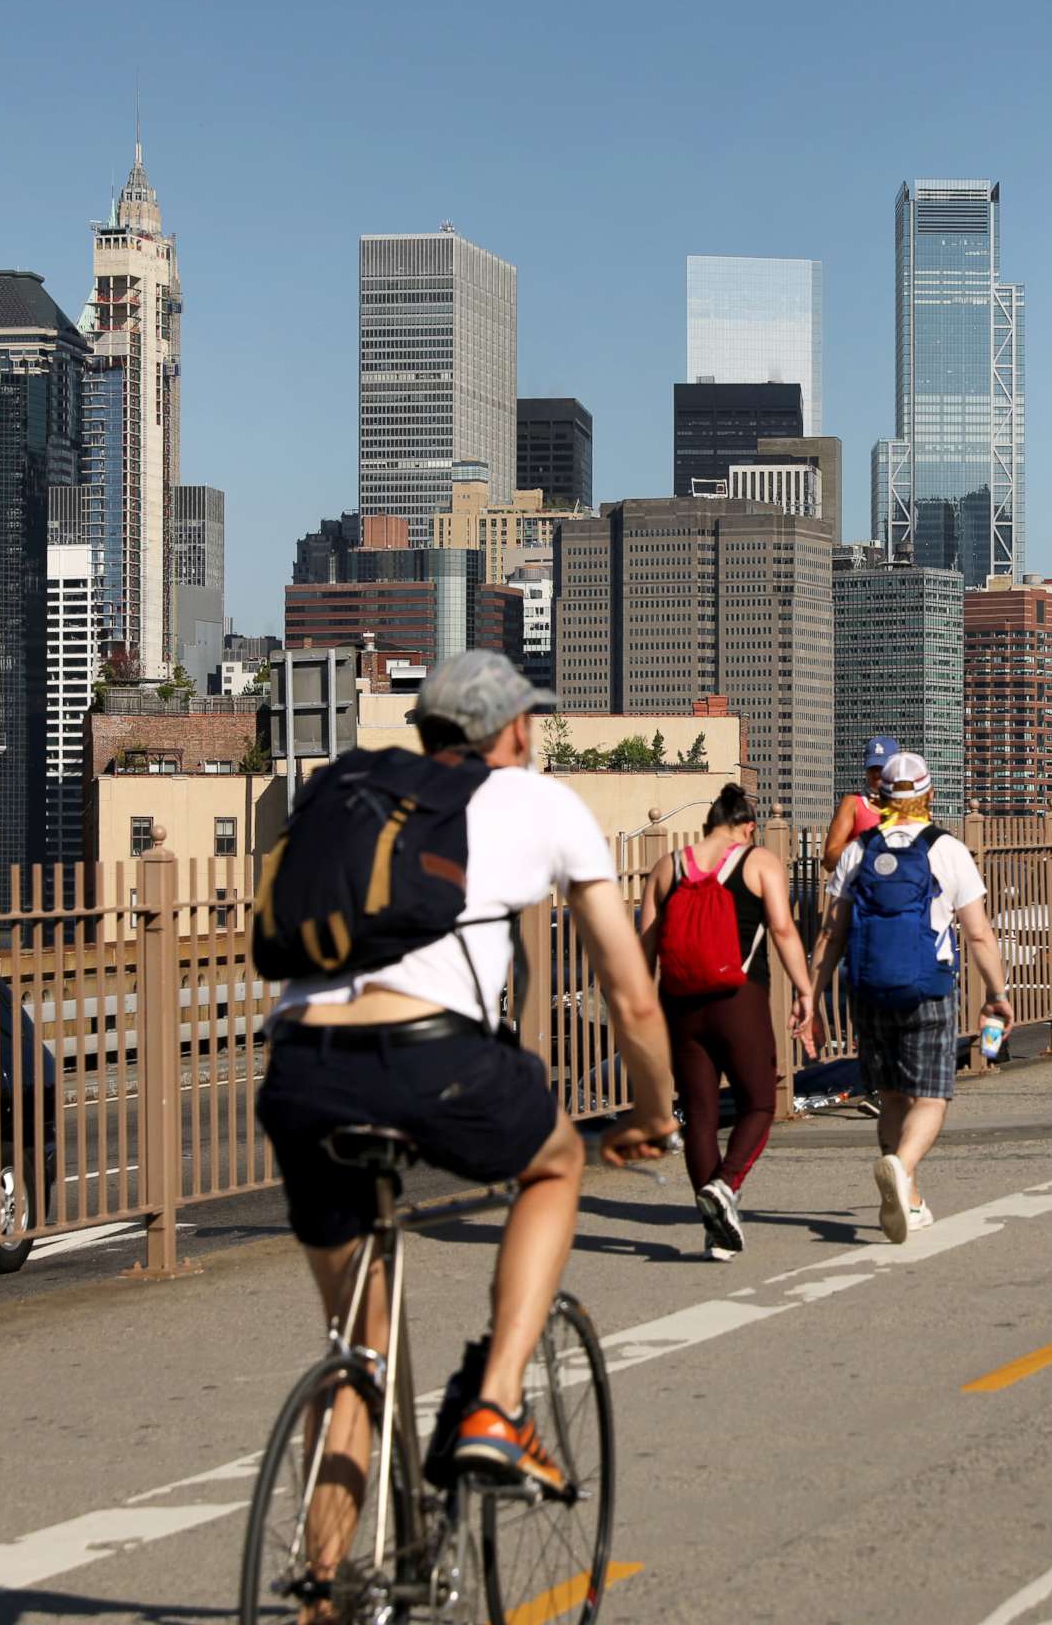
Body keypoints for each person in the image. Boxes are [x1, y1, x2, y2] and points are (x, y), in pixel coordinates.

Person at [256, 651, 678, 1551]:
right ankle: (494, 1406)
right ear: (517, 729)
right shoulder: (540, 801)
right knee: (556, 1162)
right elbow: (631, 994)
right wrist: (651, 1113)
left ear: (429, 733)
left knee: (358, 1347)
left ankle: (323, 1593)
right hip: (428, 1056)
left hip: (300, 1065)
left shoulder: (351, 790)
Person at [807, 751, 1013, 1243]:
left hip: (870, 989)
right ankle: (902, 1165)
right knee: (933, 1096)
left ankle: (911, 1198)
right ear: (928, 795)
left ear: (880, 796)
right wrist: (997, 993)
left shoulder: (859, 850)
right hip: (929, 988)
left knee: (893, 1094)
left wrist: (811, 998)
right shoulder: (946, 849)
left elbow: (830, 934)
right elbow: (979, 934)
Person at [637, 784, 816, 1260]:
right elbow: (782, 930)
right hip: (739, 999)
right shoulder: (759, 863)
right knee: (760, 1102)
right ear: (748, 826)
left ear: (708, 824)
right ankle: (726, 1183)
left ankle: (715, 1227)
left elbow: (646, 948)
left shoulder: (666, 867)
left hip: (680, 1004)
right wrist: (805, 992)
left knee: (699, 1114)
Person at [823, 735, 897, 871]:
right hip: (861, 887)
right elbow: (829, 861)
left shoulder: (908, 805)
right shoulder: (853, 803)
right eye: (873, 768)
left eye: (882, 768)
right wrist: (867, 839)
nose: (877, 774)